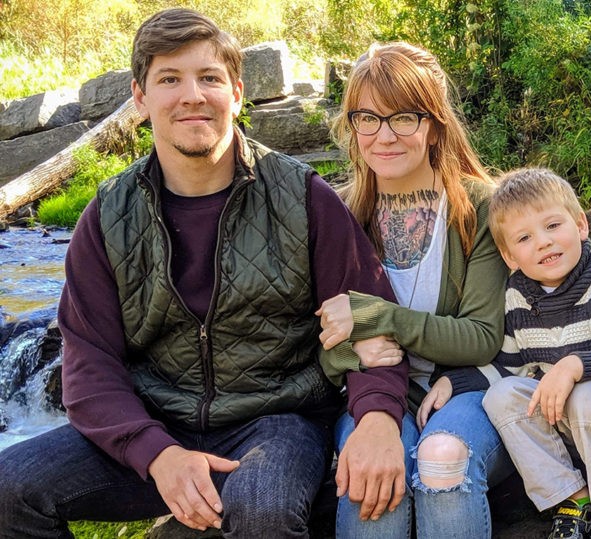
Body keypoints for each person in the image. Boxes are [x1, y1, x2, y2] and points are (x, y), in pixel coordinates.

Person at [0, 8, 404, 539]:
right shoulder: (107, 217)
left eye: (209, 78)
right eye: (170, 79)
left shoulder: (304, 198)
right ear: (139, 99)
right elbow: (90, 365)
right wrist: (158, 453)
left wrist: (377, 416)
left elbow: (371, 320)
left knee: (262, 511)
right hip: (154, 421)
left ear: (236, 92)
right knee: (9, 489)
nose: (192, 95)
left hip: (277, 419)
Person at [317, 41, 514, 538]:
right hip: (378, 397)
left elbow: (479, 338)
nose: (385, 136)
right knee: (372, 481)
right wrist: (349, 355)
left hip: (468, 390)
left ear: (433, 124)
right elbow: (319, 346)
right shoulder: (340, 216)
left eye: (403, 117)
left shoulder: (480, 208)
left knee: (441, 466)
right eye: (368, 118)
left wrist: (377, 318)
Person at [430, 167, 591, 539]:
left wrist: (575, 366)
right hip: (564, 421)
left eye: (553, 226)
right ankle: (572, 498)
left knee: (585, 392)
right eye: (525, 237)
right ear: (509, 256)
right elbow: (509, 366)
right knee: (502, 396)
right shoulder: (517, 295)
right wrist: (454, 382)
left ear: (581, 225)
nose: (544, 243)